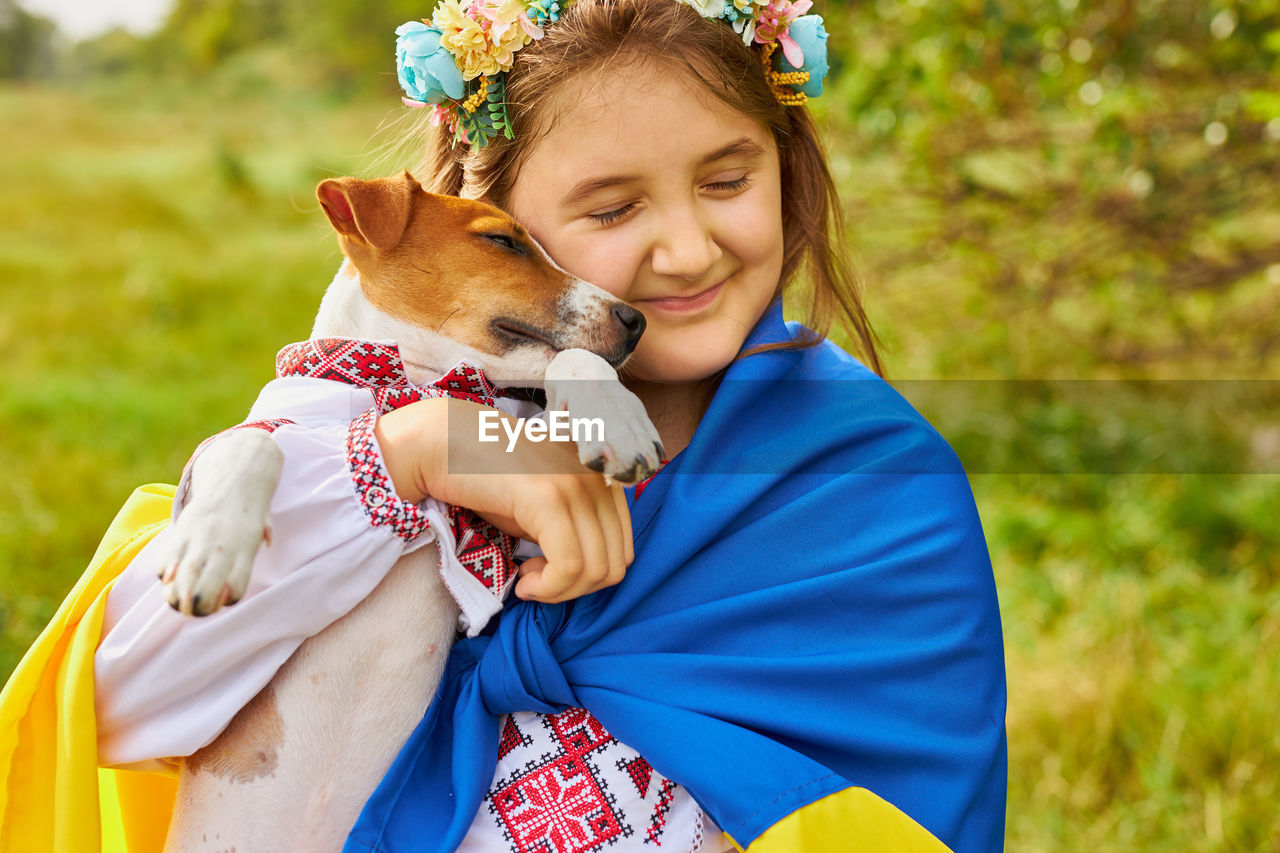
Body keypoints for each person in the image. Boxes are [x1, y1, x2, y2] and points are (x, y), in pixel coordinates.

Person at [0, 1, 1007, 851]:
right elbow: (123, 708)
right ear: (490, 214)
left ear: (785, 165)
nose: (687, 247)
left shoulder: (869, 482)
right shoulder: (351, 442)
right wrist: (416, 454)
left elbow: (897, 802)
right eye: (611, 211)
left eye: (726, 180)